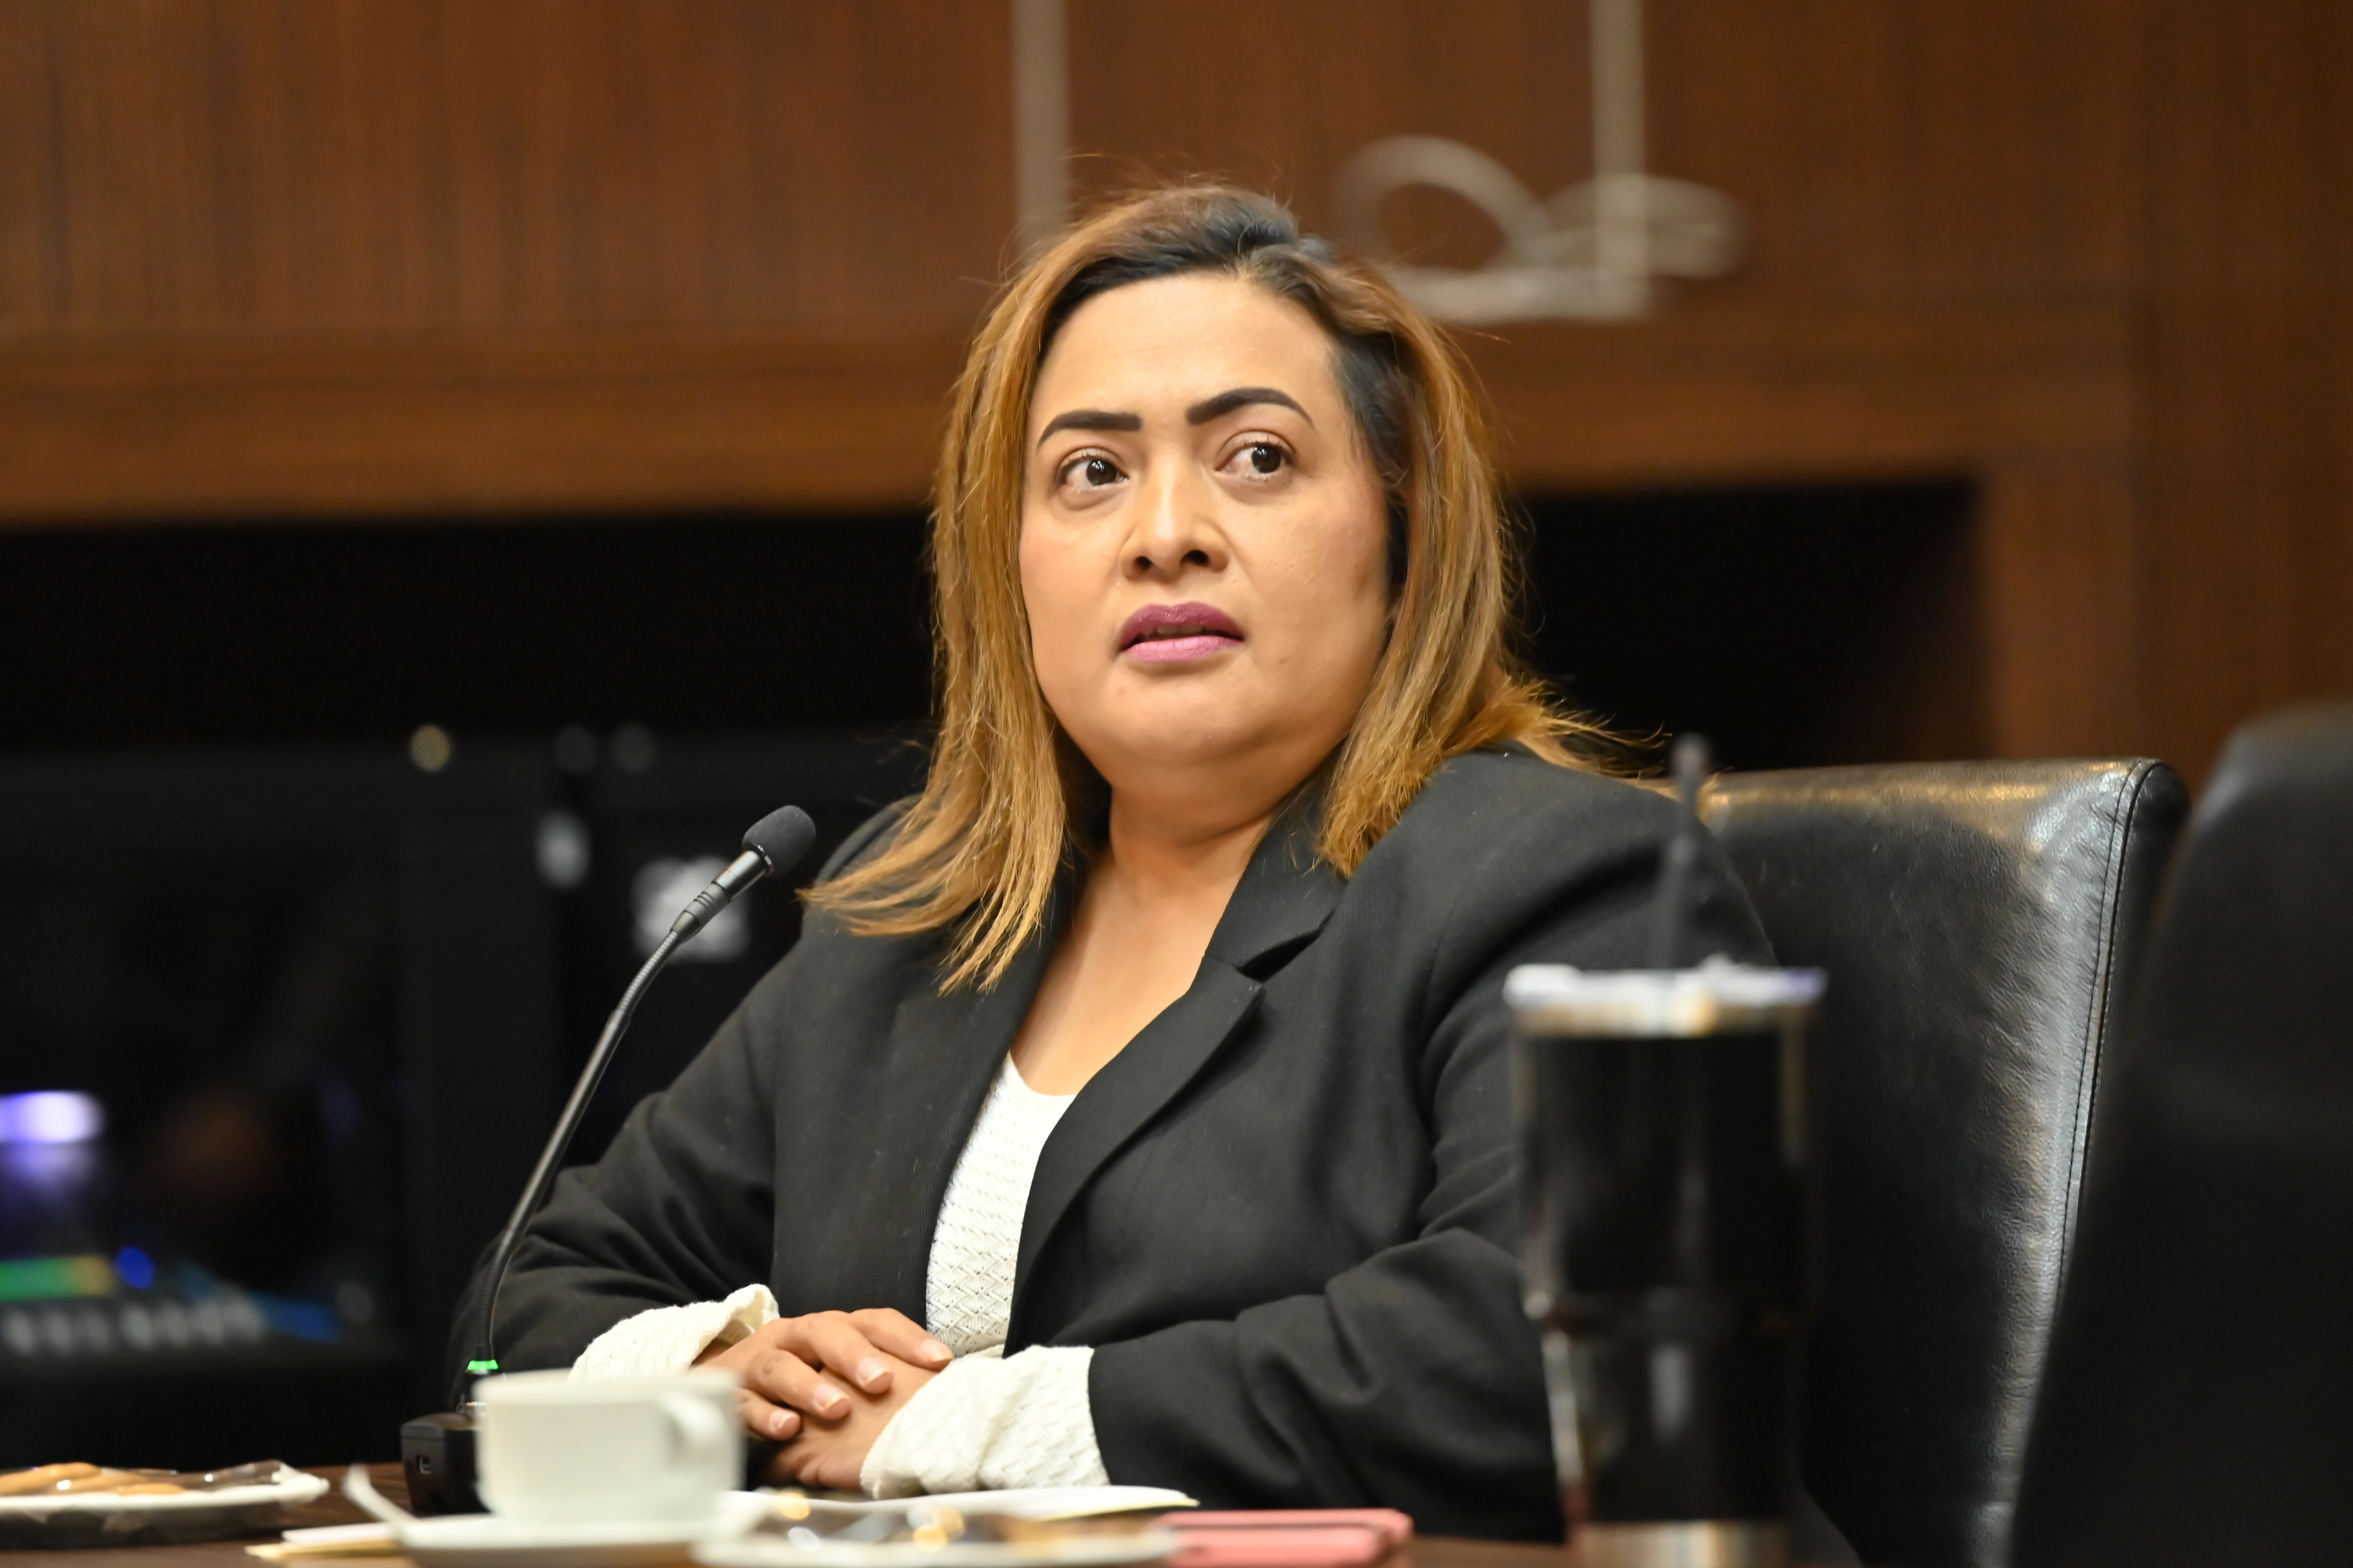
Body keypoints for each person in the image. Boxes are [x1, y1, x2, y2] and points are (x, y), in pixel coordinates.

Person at [458, 183, 1770, 1540]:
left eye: (1257, 456)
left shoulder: (1568, 877)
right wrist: (719, 1378)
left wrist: (952, 1426)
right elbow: (515, 1317)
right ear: (1010, 564)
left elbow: (1549, 1348)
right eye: (1091, 471)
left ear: (1402, 532)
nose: (1165, 533)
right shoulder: (909, 912)